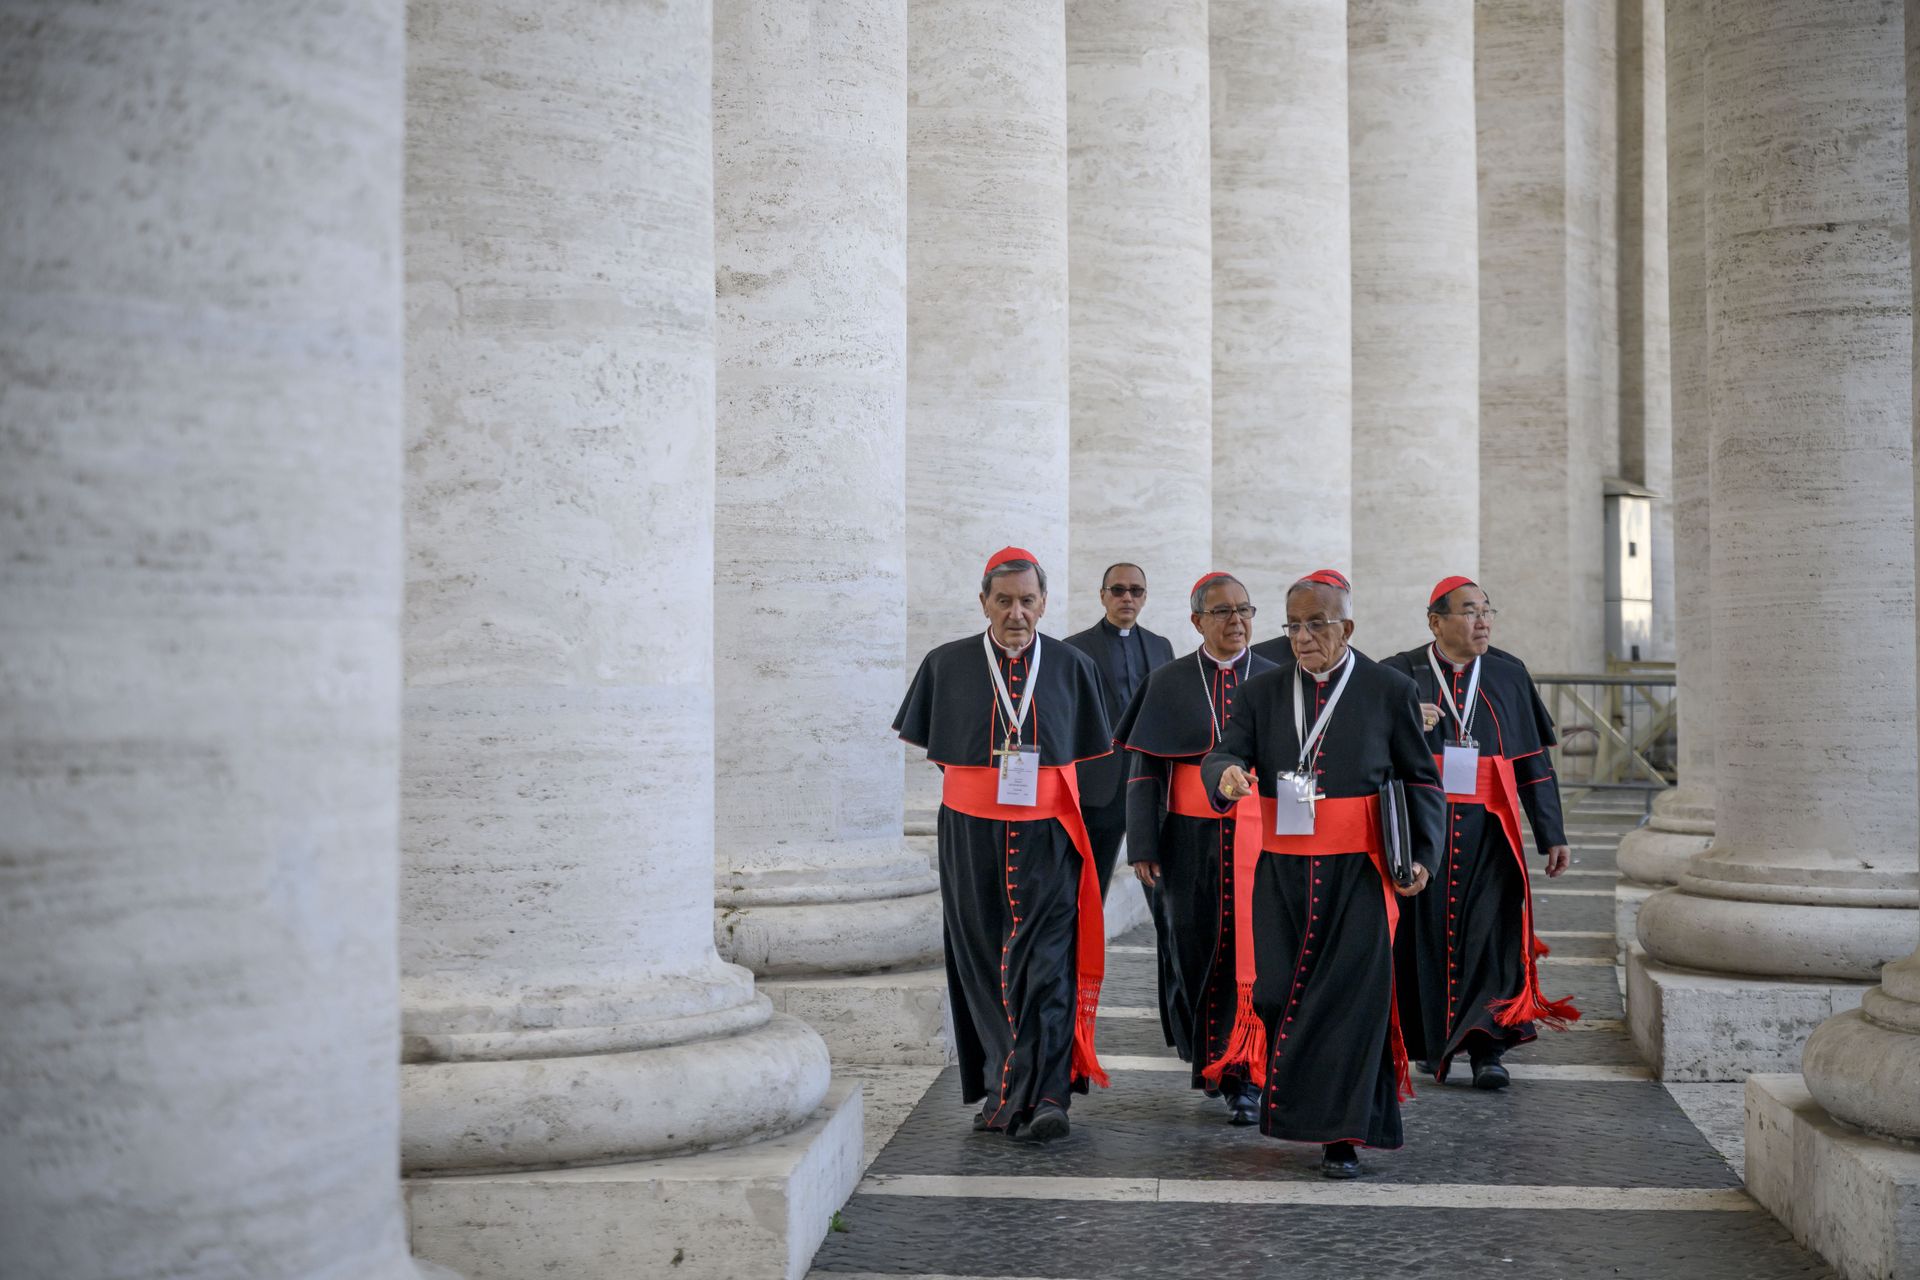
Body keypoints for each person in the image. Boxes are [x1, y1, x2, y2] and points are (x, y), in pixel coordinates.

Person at [1199, 569, 1443, 1178]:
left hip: (1359, 876)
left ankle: (1343, 1136)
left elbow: (1420, 780)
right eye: (1294, 625)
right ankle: (1302, 1111)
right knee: (1280, 994)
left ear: (1347, 626)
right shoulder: (1262, 691)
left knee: (1352, 1003)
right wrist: (1224, 776)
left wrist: (1422, 856)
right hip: (1281, 874)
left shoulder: (1388, 690)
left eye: (1317, 624)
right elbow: (1225, 751)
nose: (1303, 637)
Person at [893, 547, 1114, 1141]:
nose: (1016, 613)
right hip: (970, 836)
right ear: (984, 602)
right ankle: (1001, 1088)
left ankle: (1047, 1095)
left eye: (1028, 600)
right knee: (984, 961)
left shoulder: (1071, 666)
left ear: (1044, 603)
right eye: (1004, 600)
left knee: (1047, 962)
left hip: (1049, 835)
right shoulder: (947, 665)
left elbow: (1085, 754)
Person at [1382, 576, 1579, 1090]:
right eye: (1469, 611)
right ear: (1436, 621)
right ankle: (1433, 1041)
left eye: (1487, 611)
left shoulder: (1508, 674)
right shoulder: (1398, 676)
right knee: (1422, 937)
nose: (1482, 621)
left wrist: (1551, 833)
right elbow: (1366, 751)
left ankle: (1489, 1048)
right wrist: (1403, 721)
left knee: (1492, 936)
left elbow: (1533, 761)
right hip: (1425, 829)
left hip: (1491, 832)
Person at [1113, 572, 1277, 1124]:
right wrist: (1143, 844)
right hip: (1188, 839)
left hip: (1262, 840)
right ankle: (1210, 1056)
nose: (1236, 620)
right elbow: (1145, 773)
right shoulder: (1169, 682)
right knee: (1194, 948)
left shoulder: (1277, 680)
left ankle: (1245, 1074)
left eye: (1245, 610)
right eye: (1223, 611)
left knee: (1252, 954)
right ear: (1196, 621)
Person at [1065, 563, 1175, 898]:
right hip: (1099, 786)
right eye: (1118, 590)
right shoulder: (1074, 649)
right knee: (1088, 889)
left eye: (1136, 590)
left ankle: (1168, 953)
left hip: (1151, 784)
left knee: (1163, 893)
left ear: (1144, 597)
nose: (1127, 597)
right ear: (1102, 596)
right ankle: (1085, 953)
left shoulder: (1161, 647)